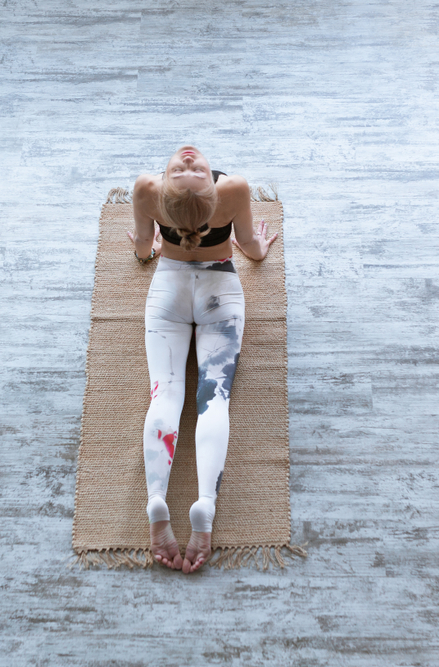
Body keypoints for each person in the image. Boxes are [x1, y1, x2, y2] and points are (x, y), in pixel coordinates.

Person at [127, 145, 279, 573]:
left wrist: (145, 252)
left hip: (167, 295)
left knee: (165, 393)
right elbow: (248, 243)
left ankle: (157, 499)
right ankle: (204, 506)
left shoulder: (146, 189)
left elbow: (142, 247)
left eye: (186, 166)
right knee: (214, 398)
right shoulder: (233, 189)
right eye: (187, 167)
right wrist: (259, 251)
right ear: (212, 194)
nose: (189, 160)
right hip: (221, 295)